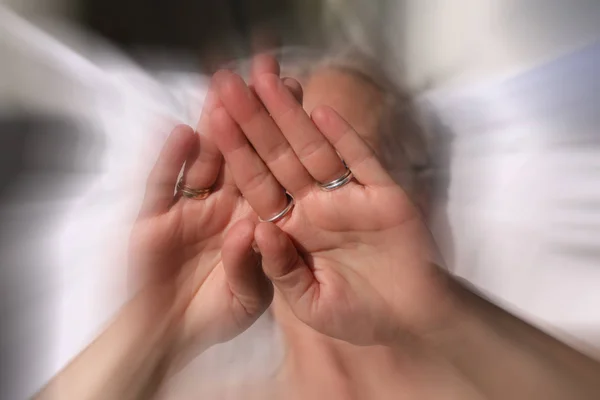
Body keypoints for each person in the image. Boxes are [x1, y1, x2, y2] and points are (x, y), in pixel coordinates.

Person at [36, 55, 600, 400]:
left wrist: (441, 314)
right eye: (269, 166)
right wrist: (156, 329)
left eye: (344, 171)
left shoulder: (516, 372)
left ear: (422, 193)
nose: (302, 195)